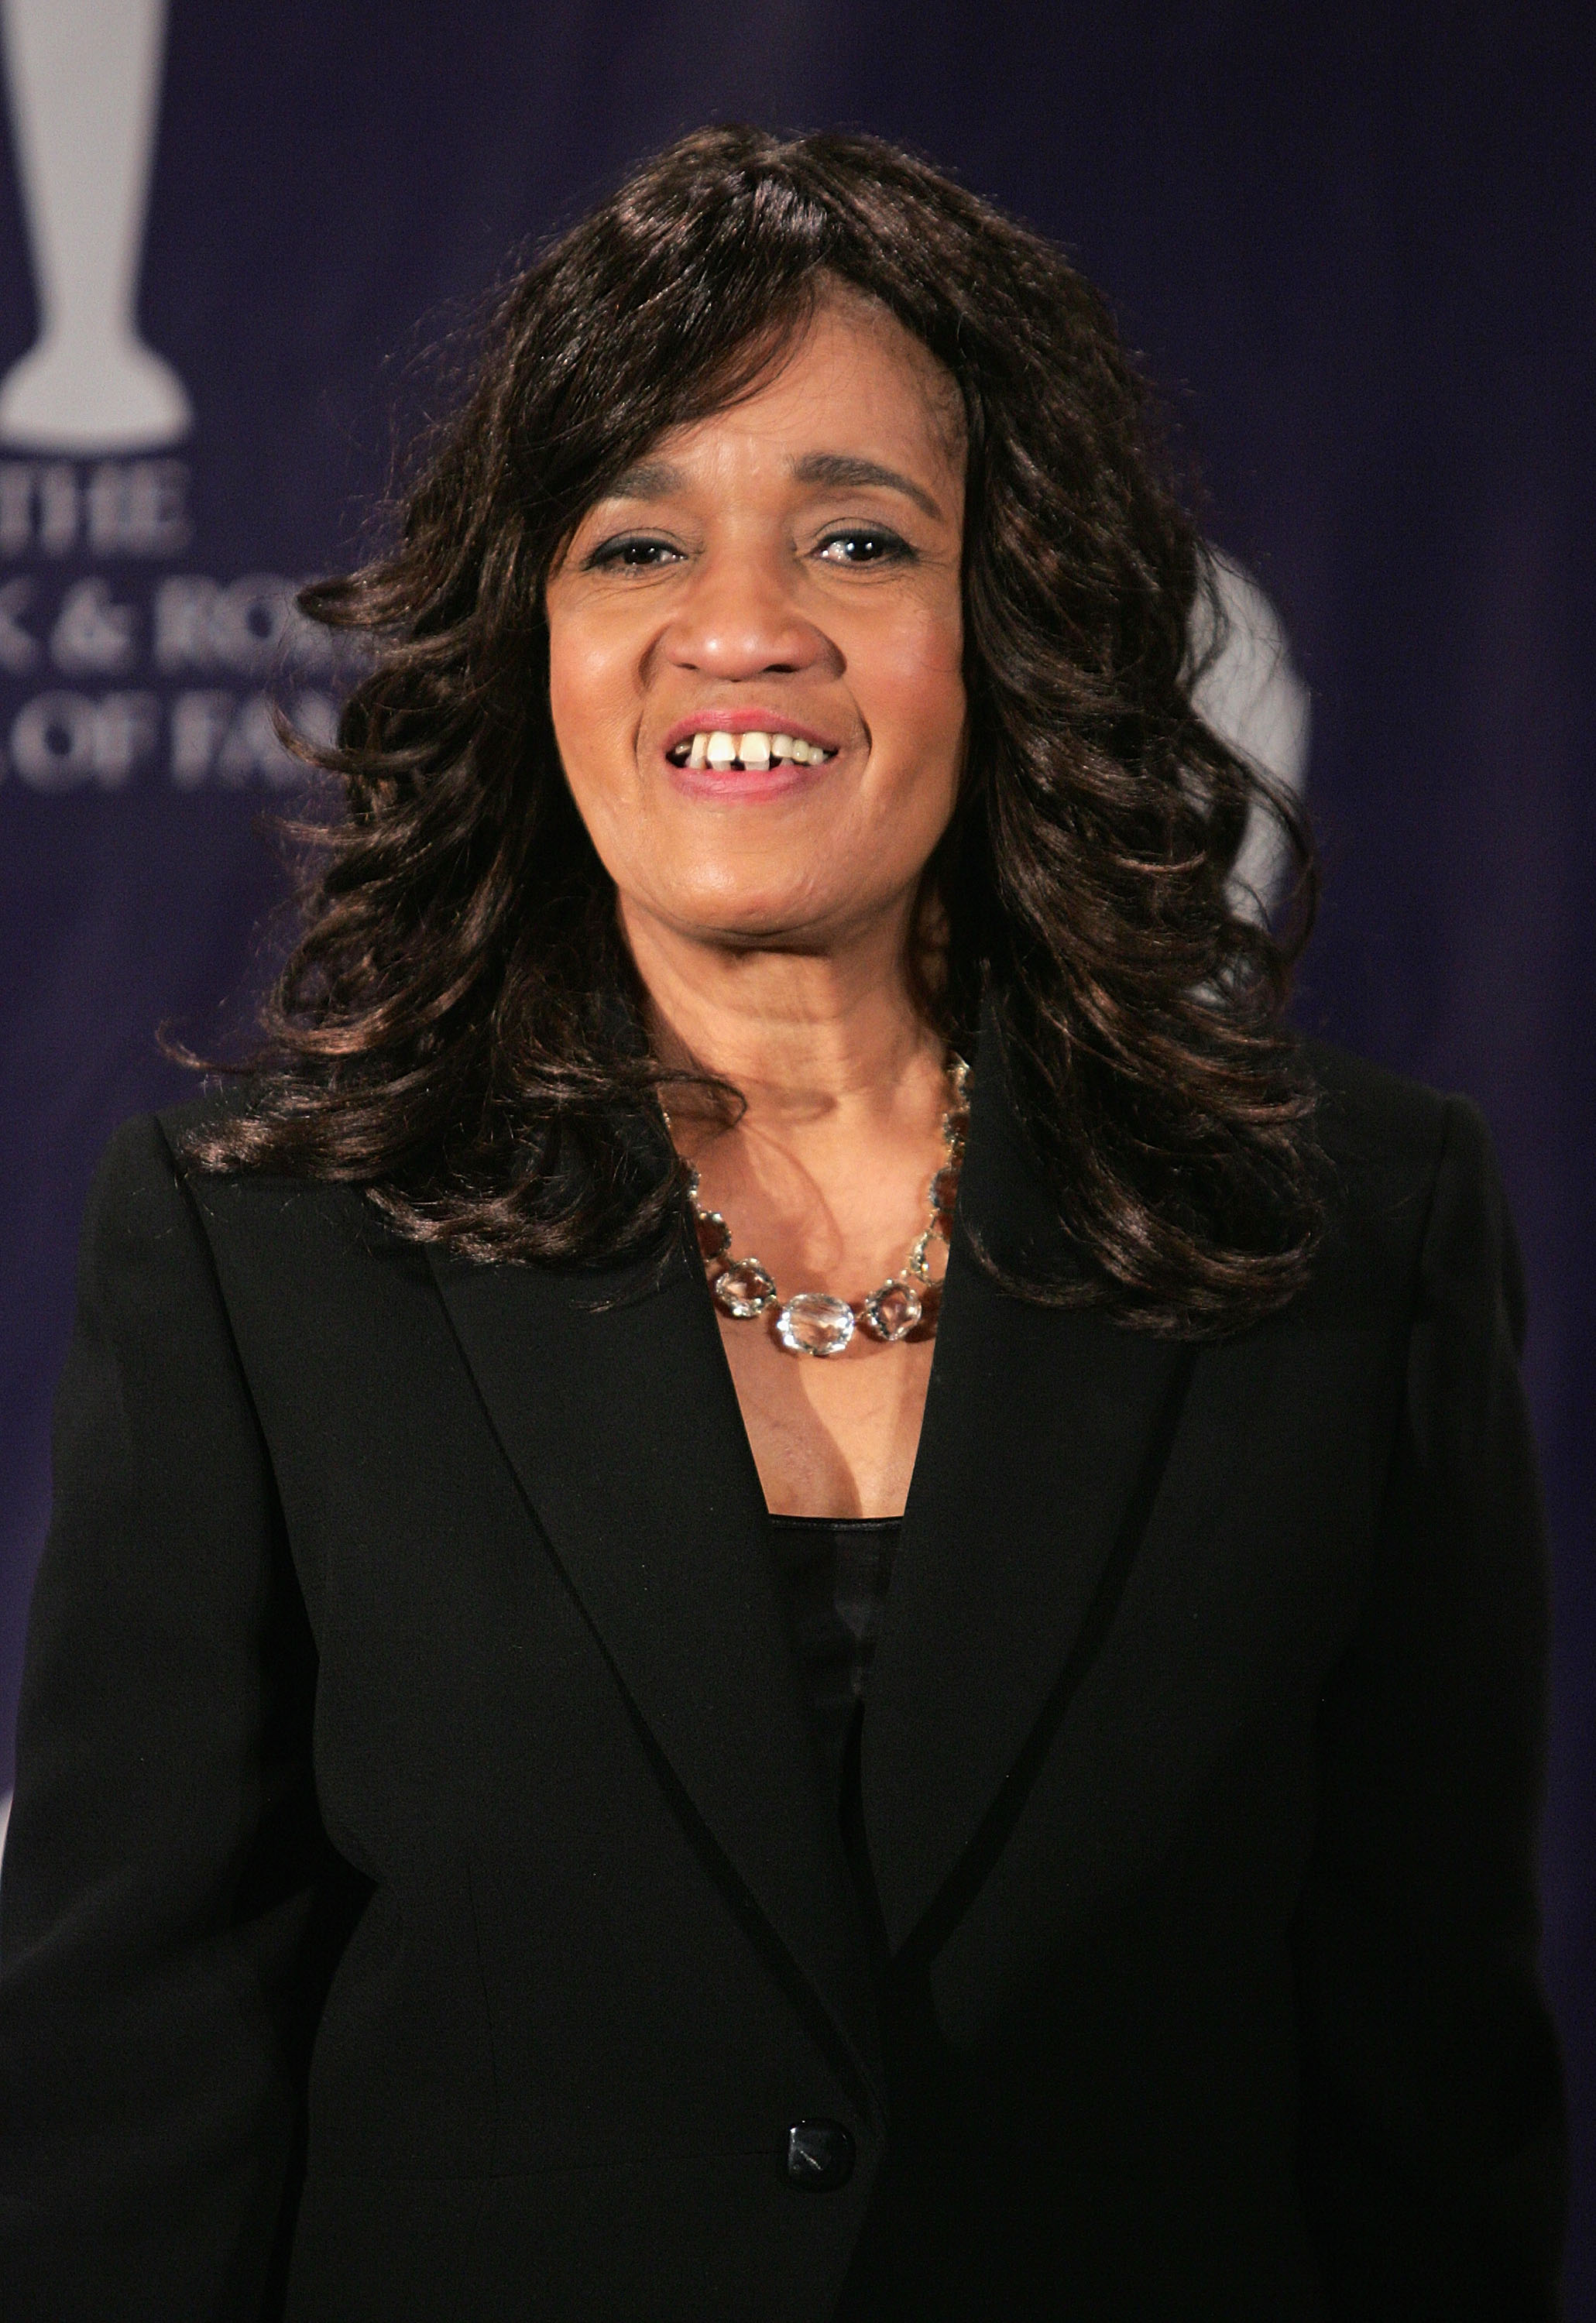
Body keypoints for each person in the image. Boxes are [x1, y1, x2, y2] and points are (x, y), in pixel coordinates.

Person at [0, 125, 1566, 2321]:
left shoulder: (1349, 1229)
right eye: (635, 545)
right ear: (530, 640)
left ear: (1004, 617)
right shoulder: (259, 1255)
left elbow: (1430, 2118)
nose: (739, 631)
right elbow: (128, 2117)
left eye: (856, 538)